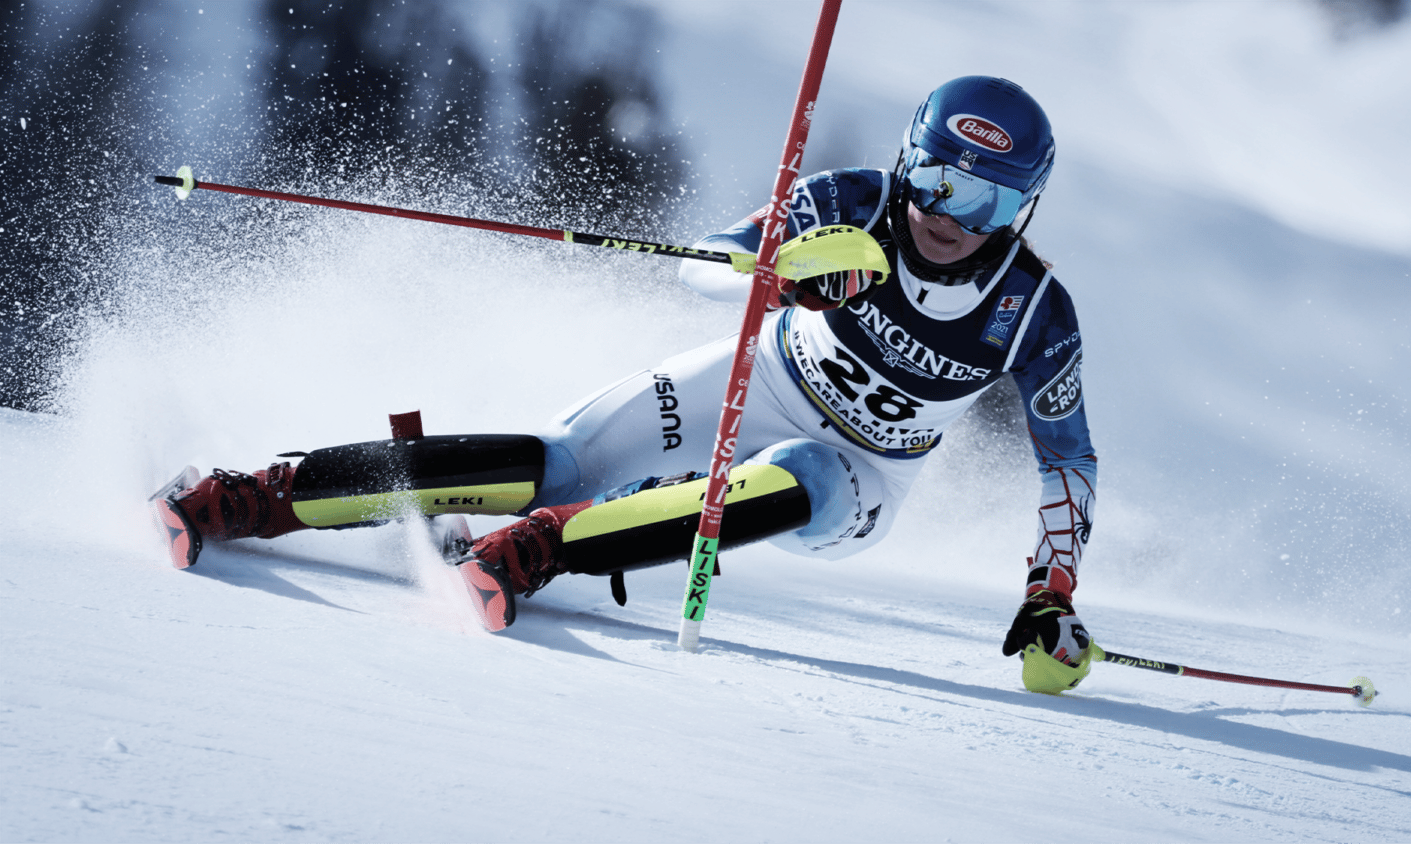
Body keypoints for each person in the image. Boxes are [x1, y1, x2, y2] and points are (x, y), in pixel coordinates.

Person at [150, 76, 1099, 691]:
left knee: (800, 475)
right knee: (558, 459)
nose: (946, 214)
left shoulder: (1037, 310)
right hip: (762, 375)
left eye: (985, 198)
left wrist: (1051, 588)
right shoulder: (855, 201)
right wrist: (782, 270)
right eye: (936, 176)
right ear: (908, 160)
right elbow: (702, 261)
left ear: (1024, 207)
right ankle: (254, 497)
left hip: (866, 476)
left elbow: (1068, 462)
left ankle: (533, 556)